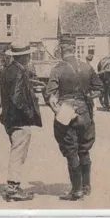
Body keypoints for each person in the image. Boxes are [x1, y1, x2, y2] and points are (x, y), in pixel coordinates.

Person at [44, 34, 104, 201]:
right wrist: (86, 98)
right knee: (84, 148)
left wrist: (57, 109)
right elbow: (99, 88)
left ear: (62, 49)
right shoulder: (87, 67)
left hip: (66, 112)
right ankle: (86, 186)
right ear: (74, 48)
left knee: (71, 150)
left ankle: (76, 190)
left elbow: (50, 94)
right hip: (85, 112)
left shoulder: (57, 69)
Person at [0, 41, 43, 202]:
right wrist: (29, 113)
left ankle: (14, 186)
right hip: (19, 120)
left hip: (9, 119)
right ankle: (13, 188)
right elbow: (17, 98)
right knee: (18, 154)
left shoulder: (7, 71)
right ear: (23, 56)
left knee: (16, 151)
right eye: (28, 55)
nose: (30, 57)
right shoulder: (19, 72)